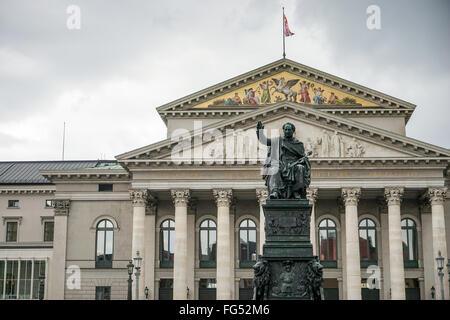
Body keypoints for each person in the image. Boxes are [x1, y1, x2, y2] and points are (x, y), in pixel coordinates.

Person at [256, 121, 311, 199]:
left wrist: (303, 161)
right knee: (275, 168)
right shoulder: (278, 140)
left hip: (294, 164)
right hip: (281, 163)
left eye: (289, 130)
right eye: (285, 130)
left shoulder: (298, 144)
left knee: (301, 168)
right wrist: (259, 132)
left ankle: (296, 191)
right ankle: (275, 191)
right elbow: (264, 141)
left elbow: (302, 158)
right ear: (283, 130)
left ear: (293, 131)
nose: (287, 131)